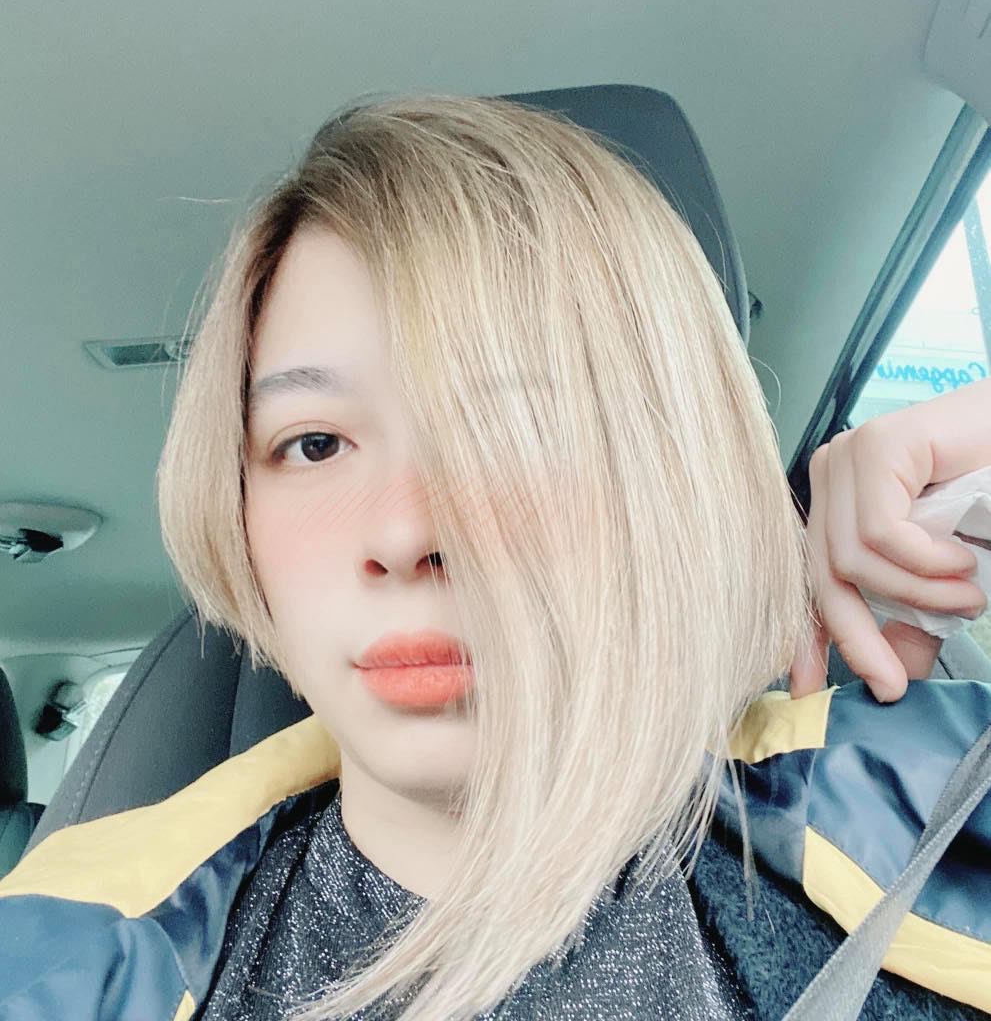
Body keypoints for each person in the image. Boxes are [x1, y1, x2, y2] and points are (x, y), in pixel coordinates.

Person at [0, 91, 988, 1021]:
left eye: (517, 433)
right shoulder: (58, 963)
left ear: (677, 480)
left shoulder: (931, 829)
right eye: (315, 443)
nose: (403, 535)